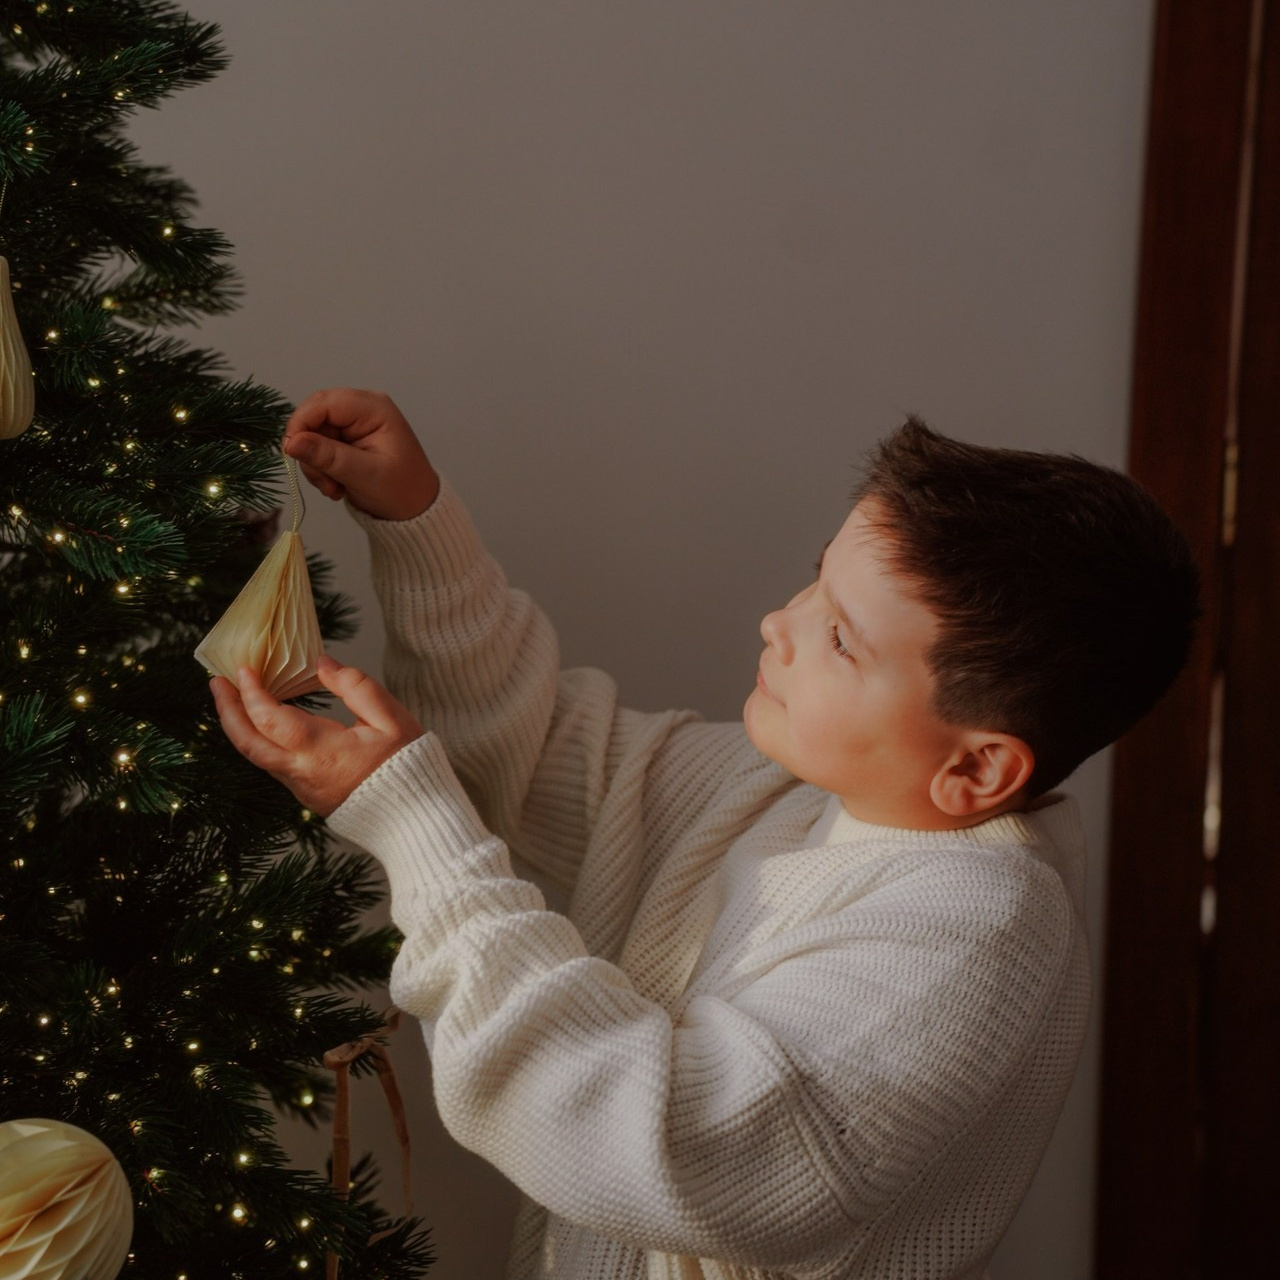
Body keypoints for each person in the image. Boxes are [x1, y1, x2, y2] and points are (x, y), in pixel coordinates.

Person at [210, 388, 1199, 1280]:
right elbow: (544, 753)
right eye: (815, 580)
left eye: (841, 638)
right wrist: (416, 520)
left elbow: (652, 1136)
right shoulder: (797, 788)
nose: (780, 621)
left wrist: (412, 818)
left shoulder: (973, 942)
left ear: (976, 768)